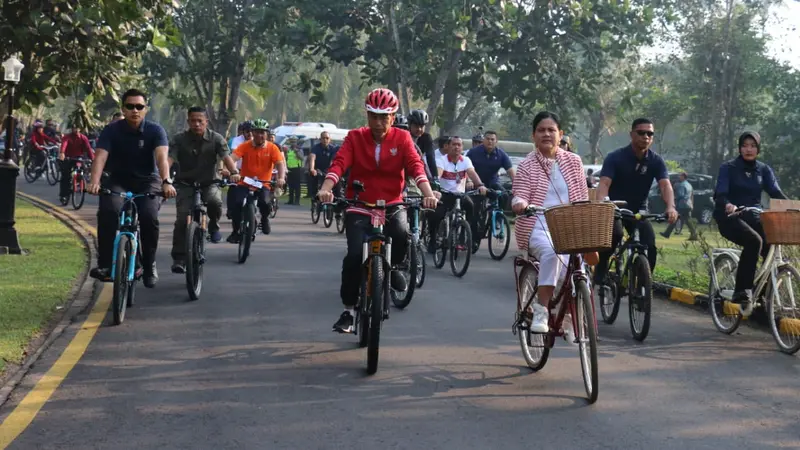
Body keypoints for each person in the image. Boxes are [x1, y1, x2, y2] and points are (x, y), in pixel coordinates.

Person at [316, 88, 438, 333]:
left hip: (392, 203)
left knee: (402, 234)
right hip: (359, 204)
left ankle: (393, 270)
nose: (379, 122)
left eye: (385, 117)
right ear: (367, 115)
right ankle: (349, 311)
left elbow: (415, 167)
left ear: (393, 117)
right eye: (374, 116)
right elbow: (339, 164)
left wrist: (429, 194)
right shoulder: (355, 137)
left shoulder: (403, 139)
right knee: (353, 257)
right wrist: (326, 188)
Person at [86, 88, 177, 288]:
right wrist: (95, 181)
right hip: (117, 180)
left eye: (139, 107)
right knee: (108, 212)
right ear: (123, 109)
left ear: (145, 109)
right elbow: (100, 157)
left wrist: (166, 181)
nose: (135, 110)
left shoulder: (156, 131)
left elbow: (161, 158)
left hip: (147, 181)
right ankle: (105, 265)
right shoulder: (111, 130)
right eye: (130, 106)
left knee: (148, 216)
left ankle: (149, 263)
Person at [511, 111, 589, 333]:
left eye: (551, 130)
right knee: (553, 253)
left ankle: (569, 314)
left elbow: (582, 197)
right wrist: (520, 204)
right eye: (541, 130)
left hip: (570, 225)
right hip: (538, 225)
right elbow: (520, 195)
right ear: (533, 136)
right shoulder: (526, 165)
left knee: (581, 265)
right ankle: (542, 309)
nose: (546, 134)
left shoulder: (574, 162)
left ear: (560, 134)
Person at [593, 118, 678, 292]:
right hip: (615, 209)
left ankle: (642, 287)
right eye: (641, 132)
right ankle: (601, 268)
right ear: (632, 134)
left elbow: (665, 185)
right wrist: (602, 203)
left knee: (650, 245)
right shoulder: (615, 157)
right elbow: (604, 184)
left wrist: (670, 206)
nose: (645, 136)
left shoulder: (656, 161)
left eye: (650, 133)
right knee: (614, 236)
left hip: (638, 210)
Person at [714, 131, 787, 307]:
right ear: (739, 148)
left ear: (758, 149)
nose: (749, 149)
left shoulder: (763, 169)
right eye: (745, 145)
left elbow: (776, 193)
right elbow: (720, 194)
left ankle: (762, 296)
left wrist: (792, 207)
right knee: (754, 241)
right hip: (729, 218)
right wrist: (729, 205)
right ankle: (742, 290)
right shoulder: (728, 168)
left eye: (753, 146)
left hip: (753, 216)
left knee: (771, 245)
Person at [168, 106, 241, 273]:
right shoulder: (179, 139)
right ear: (188, 122)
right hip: (185, 183)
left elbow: (226, 157)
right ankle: (179, 258)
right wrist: (164, 178)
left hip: (209, 182)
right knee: (181, 220)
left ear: (206, 122)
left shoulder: (216, 138)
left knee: (215, 201)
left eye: (200, 121)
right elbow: (169, 158)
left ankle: (213, 226)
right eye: (193, 121)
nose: (196, 124)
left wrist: (234, 172)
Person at [226, 119, 285, 242]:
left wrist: (281, 178)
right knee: (237, 205)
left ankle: (264, 219)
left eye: (262, 132)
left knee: (265, 203)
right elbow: (232, 158)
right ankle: (236, 231)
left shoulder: (273, 148)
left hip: (263, 183)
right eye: (257, 132)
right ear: (252, 133)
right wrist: (232, 171)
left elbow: (280, 164)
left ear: (267, 134)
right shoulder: (245, 146)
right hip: (244, 182)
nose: (259, 135)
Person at [429, 136, 487, 252]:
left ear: (462, 148)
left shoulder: (465, 160)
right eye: (454, 144)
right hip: (445, 194)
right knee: (435, 214)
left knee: (471, 207)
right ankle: (432, 239)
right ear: (448, 146)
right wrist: (435, 188)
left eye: (459, 145)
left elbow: (472, 173)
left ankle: (464, 235)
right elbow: (438, 174)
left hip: (460, 195)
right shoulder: (442, 160)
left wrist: (480, 185)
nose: (456, 147)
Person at [58, 125, 95, 202]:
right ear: (72, 129)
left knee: (81, 170)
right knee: (65, 176)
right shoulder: (67, 137)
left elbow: (88, 149)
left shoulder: (83, 138)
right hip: (68, 158)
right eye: (74, 128)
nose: (76, 129)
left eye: (77, 128)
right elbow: (64, 144)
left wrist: (93, 159)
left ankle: (79, 183)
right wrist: (62, 153)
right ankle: (64, 195)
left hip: (78, 158)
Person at [661, 172, 698, 240]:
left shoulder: (681, 185)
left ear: (683, 177)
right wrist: (692, 204)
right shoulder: (689, 185)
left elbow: (680, 195)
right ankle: (694, 235)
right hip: (688, 204)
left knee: (676, 218)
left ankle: (667, 233)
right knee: (688, 220)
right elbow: (692, 195)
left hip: (682, 204)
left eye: (680, 176)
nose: (679, 177)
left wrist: (673, 198)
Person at [407, 109, 438, 181]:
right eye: (416, 126)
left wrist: (435, 177)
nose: (419, 129)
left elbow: (430, 157)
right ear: (409, 125)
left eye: (422, 126)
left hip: (418, 169)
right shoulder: (404, 136)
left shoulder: (426, 137)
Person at [308, 131, 337, 198]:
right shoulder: (315, 147)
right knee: (314, 187)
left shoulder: (333, 148)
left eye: (327, 138)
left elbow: (332, 161)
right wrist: (312, 169)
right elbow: (312, 157)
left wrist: (330, 170)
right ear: (320, 139)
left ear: (330, 139)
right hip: (317, 171)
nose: (325, 140)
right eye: (323, 138)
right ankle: (314, 201)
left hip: (328, 171)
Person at [284, 137, 305, 205]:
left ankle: (297, 201)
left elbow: (302, 158)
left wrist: (297, 152)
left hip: (297, 169)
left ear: (296, 142)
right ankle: (290, 200)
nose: (293, 143)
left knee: (297, 186)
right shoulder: (288, 150)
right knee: (290, 185)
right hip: (289, 169)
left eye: (294, 141)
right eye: (291, 141)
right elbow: (286, 159)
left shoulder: (299, 149)